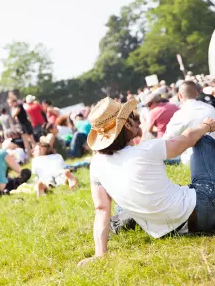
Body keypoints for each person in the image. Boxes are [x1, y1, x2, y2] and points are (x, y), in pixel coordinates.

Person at [78, 97, 215, 266]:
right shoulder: (147, 149)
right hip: (205, 210)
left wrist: (99, 254)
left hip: (167, 231)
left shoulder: (96, 164)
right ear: (126, 125)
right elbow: (187, 139)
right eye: (132, 117)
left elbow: (101, 209)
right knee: (203, 139)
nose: (137, 121)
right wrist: (205, 126)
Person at [164, 81, 215, 165]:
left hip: (193, 159)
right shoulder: (211, 108)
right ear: (196, 94)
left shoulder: (180, 114)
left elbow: (167, 140)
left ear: (179, 96)